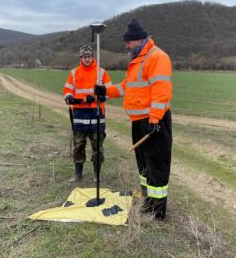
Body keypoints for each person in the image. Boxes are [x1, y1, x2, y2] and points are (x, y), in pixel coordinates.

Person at [94, 18, 172, 220]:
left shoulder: (157, 57)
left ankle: (157, 211)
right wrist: (105, 91)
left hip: (154, 121)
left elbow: (161, 92)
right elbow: (125, 87)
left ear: (138, 40)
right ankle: (148, 201)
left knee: (156, 164)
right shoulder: (136, 61)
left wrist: (154, 121)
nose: (126, 46)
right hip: (139, 121)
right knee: (143, 164)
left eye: (128, 42)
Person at [63, 44, 112, 182]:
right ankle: (78, 174)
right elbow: (67, 90)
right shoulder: (74, 73)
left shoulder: (101, 72)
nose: (87, 59)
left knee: (98, 146)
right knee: (78, 146)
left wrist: (102, 97)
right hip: (79, 114)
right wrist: (68, 97)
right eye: (84, 57)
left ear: (92, 57)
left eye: (89, 56)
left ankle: (97, 174)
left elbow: (110, 90)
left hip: (96, 113)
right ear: (81, 58)